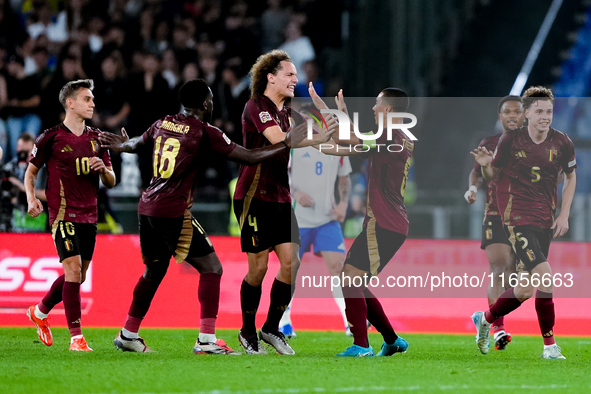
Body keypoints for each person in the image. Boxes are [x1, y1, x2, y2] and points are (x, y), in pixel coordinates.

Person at [98, 78, 307, 355]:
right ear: (206, 103)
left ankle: (128, 333)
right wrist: (286, 144)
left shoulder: (162, 123)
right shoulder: (204, 131)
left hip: (147, 206)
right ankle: (206, 340)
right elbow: (249, 157)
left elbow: (138, 142)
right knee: (212, 268)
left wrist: (123, 145)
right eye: (211, 99)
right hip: (173, 210)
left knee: (154, 271)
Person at [234, 50, 332, 355]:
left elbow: (322, 137)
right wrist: (312, 135)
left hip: (280, 195)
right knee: (259, 268)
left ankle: (271, 328)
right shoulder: (256, 106)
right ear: (270, 77)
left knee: (292, 263)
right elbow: (280, 139)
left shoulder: (291, 113)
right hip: (253, 196)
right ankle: (247, 332)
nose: (295, 80)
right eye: (289, 74)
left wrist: (327, 115)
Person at [308, 83, 413, 357]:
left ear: (388, 109)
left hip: (385, 222)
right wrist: (338, 117)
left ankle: (361, 345)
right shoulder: (394, 135)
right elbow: (350, 141)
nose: (373, 107)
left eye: (377, 103)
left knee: (349, 278)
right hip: (386, 222)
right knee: (355, 280)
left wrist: (326, 117)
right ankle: (391, 340)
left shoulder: (392, 136)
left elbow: (348, 142)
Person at [471, 86, 576, 360]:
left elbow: (571, 176)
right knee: (546, 278)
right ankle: (550, 346)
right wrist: (484, 165)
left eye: (549, 111)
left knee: (524, 289)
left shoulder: (562, 142)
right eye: (539, 111)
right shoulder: (511, 140)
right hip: (518, 218)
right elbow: (494, 172)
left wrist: (564, 213)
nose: (545, 116)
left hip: (545, 220)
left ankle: (484, 319)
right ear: (527, 113)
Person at [25, 79, 116, 351]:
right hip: (62, 215)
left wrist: (103, 170)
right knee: (73, 269)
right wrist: (31, 197)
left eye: (92, 99)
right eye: (87, 99)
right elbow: (31, 172)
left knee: (79, 275)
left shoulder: (98, 139)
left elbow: (112, 181)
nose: (92, 104)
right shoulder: (50, 137)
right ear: (70, 103)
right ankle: (76, 338)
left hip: (90, 217)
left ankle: (39, 312)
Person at [464, 96, 524, 350]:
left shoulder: (534, 144)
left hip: (525, 217)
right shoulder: (489, 143)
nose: (512, 116)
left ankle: (485, 318)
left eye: (517, 112)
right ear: (500, 116)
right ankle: (498, 328)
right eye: (507, 112)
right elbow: (476, 171)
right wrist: (471, 189)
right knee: (499, 269)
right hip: (495, 215)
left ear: (524, 115)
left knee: (516, 277)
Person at [279, 145, 352, 337]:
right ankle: (283, 321)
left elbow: (345, 178)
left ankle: (349, 320)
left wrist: (343, 204)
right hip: (296, 219)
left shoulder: (338, 146)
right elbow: (280, 173)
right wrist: (295, 194)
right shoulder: (296, 144)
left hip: (327, 218)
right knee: (290, 268)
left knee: (339, 268)